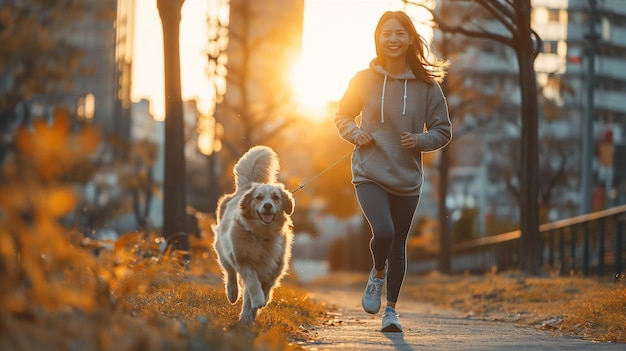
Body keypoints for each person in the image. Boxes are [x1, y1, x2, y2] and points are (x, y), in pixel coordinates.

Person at [334, 10, 452, 333]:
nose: (393, 39)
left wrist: (419, 139)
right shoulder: (363, 79)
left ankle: (391, 311)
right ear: (378, 39)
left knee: (399, 243)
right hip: (369, 170)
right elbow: (342, 116)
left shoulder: (427, 87)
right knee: (383, 232)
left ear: (411, 38)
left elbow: (443, 131)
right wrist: (355, 133)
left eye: (400, 33)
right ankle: (377, 273)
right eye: (387, 33)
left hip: (407, 178)